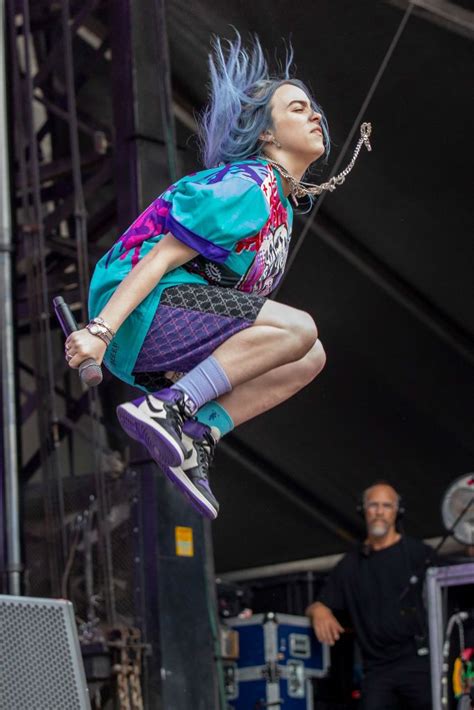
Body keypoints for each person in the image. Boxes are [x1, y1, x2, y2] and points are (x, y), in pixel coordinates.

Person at [64, 34, 362, 521]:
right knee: (299, 329)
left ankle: (198, 430)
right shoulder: (250, 186)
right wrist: (101, 330)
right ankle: (169, 409)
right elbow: (159, 258)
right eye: (297, 108)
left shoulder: (280, 208)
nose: (315, 117)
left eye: (315, 110)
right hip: (139, 312)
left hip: (167, 329)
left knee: (310, 355)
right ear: (266, 134)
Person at [307, 482, 435, 709]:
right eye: (373, 505)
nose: (379, 512)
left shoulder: (419, 554)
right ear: (363, 510)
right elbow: (321, 602)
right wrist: (318, 610)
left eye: (386, 506)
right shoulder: (350, 565)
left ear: (397, 511)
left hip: (419, 662)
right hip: (377, 668)